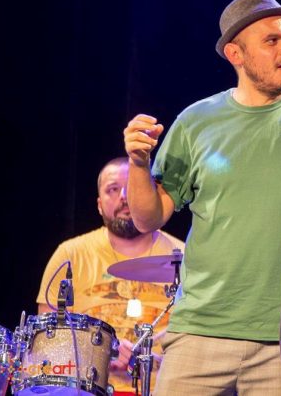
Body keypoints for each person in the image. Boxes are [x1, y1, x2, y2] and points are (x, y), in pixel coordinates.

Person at [123, 0, 281, 395]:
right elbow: (147, 218)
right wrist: (138, 163)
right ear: (235, 54)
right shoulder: (196, 121)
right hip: (200, 330)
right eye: (272, 40)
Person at [36, 156, 185, 395]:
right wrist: (104, 352)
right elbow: (47, 339)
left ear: (151, 196)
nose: (124, 196)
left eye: (133, 186)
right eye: (113, 189)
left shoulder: (184, 257)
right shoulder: (70, 254)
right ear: (99, 204)